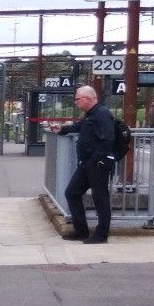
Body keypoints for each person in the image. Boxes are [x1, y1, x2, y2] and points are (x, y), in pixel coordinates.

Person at [47, 84, 118, 242]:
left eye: (78, 99)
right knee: (72, 193)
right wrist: (62, 129)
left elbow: (108, 139)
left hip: (97, 164)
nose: (76, 102)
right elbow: (79, 127)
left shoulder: (102, 114)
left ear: (89, 98)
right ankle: (81, 231)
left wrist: (97, 159)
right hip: (87, 163)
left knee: (100, 198)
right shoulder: (91, 114)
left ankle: (101, 234)